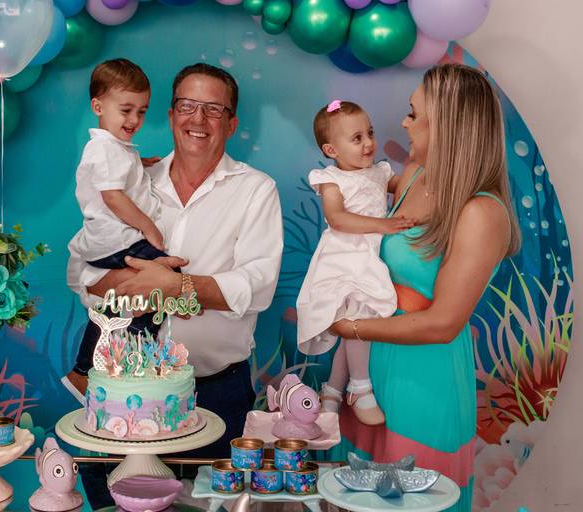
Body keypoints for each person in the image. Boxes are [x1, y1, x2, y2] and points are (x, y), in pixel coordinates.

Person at [327, 63, 521, 512]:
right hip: (369, 372)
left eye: (414, 114)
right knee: (354, 495)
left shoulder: (481, 213)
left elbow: (442, 324)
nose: (403, 123)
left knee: (406, 499)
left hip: (422, 381)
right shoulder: (413, 173)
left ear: (447, 125)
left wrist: (346, 327)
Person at [66, 62, 284, 456]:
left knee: (212, 489)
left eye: (213, 109)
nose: (198, 119)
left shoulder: (256, 189)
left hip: (217, 389)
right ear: (171, 116)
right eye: (187, 106)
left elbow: (258, 284)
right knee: (118, 489)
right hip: (123, 392)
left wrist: (179, 286)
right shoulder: (133, 181)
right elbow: (81, 268)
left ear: (231, 124)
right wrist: (138, 285)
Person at [296, 100, 415, 426]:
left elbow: (409, 187)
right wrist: (384, 225)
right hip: (343, 256)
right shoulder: (331, 179)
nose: (368, 143)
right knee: (358, 319)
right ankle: (360, 387)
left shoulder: (380, 172)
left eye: (370, 133)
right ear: (331, 149)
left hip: (368, 254)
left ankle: (333, 391)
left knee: (353, 328)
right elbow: (337, 218)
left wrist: (424, 169)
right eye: (357, 138)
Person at [63, 58, 172, 402]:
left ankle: (82, 372)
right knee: (165, 281)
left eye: (141, 112)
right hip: (117, 240)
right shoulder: (105, 148)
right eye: (126, 110)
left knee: (109, 308)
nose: (134, 120)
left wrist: (139, 164)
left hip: (106, 242)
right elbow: (112, 196)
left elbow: (113, 174)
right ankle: (138, 354)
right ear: (98, 107)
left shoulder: (112, 149)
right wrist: (148, 227)